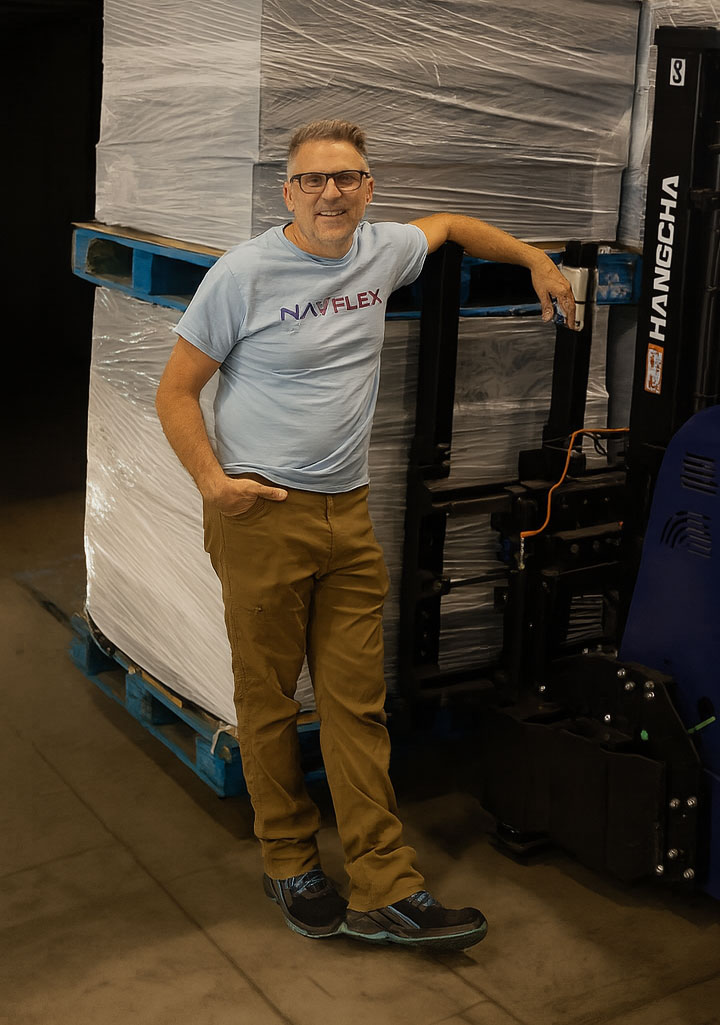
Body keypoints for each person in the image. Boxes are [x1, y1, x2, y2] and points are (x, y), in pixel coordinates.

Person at [155, 118, 576, 951]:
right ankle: (288, 860)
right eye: (313, 180)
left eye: (346, 178)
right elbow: (175, 391)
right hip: (261, 516)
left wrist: (534, 259)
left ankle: (385, 884)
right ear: (288, 191)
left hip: (347, 513)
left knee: (356, 704)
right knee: (270, 700)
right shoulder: (243, 274)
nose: (331, 193)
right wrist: (214, 483)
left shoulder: (381, 250)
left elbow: (452, 225)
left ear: (369, 188)